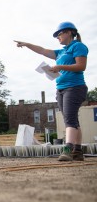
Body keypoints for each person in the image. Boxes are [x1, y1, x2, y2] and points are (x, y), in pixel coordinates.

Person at [15, 22, 88, 161]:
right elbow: (42, 50)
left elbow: (81, 66)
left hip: (75, 87)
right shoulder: (60, 52)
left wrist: (59, 66)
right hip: (61, 89)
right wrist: (26, 44)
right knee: (73, 120)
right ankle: (78, 151)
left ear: (69, 32)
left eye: (59, 34)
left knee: (70, 119)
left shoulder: (78, 46)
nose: (57, 37)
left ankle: (67, 149)